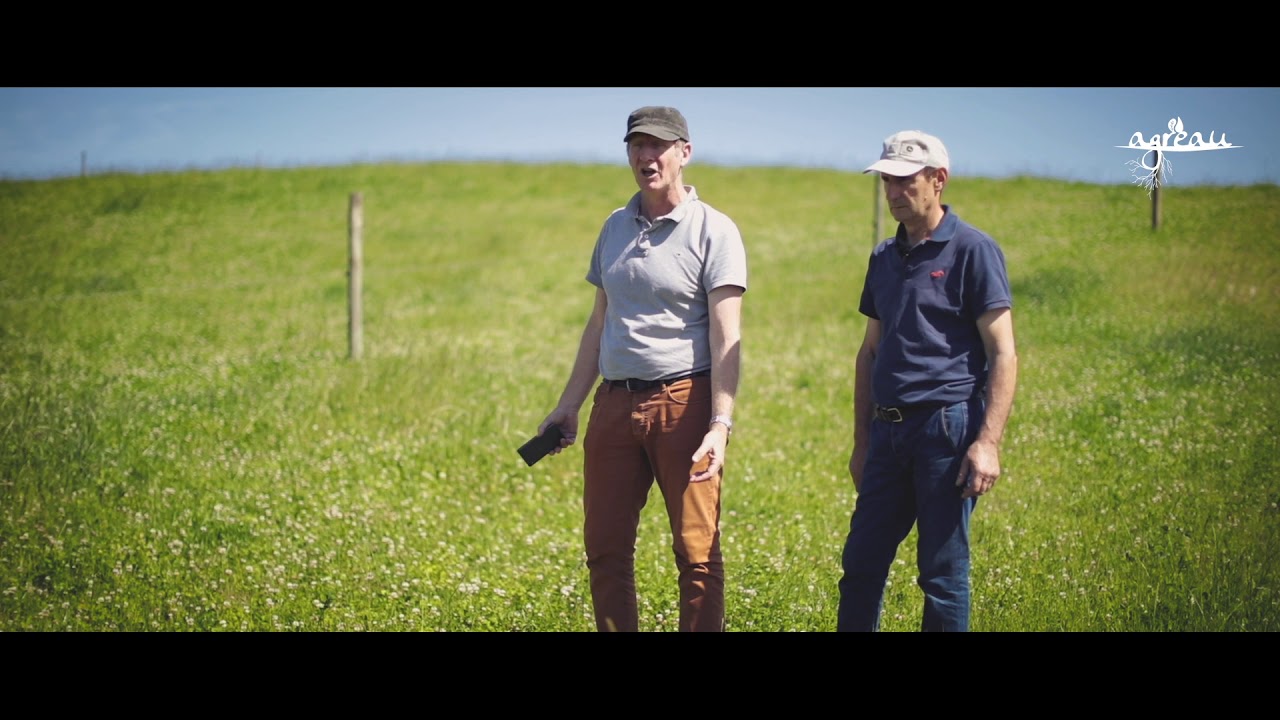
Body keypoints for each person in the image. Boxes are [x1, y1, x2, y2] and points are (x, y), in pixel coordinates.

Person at [536, 106, 747, 632]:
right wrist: (568, 407)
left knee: (697, 553)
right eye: (637, 146)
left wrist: (720, 425)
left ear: (684, 152)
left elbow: (727, 337)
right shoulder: (614, 227)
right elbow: (598, 323)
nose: (646, 156)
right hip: (613, 405)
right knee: (604, 550)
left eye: (658, 146)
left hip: (685, 404)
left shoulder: (714, 230)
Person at [837, 130, 1018, 632]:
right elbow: (870, 351)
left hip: (947, 430)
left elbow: (1003, 352)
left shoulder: (973, 251)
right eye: (887, 181)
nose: (893, 191)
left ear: (938, 180)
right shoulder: (882, 258)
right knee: (861, 566)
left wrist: (988, 442)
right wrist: (862, 441)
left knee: (941, 573)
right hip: (887, 433)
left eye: (905, 180)